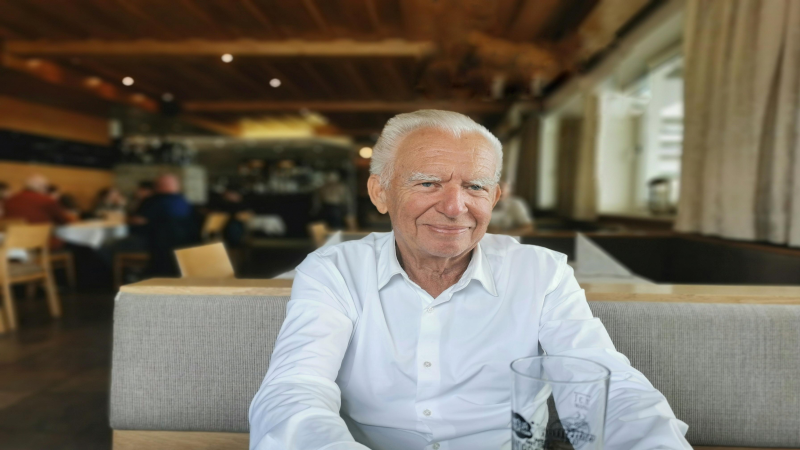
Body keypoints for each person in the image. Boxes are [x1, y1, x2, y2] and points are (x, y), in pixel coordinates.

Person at [249, 110, 691, 450]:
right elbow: (295, 389)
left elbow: (607, 385)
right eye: (427, 183)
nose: (455, 207)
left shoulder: (542, 273)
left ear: (495, 198)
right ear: (380, 192)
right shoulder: (334, 271)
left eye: (475, 187)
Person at [131, 174, 193, 276]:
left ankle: (117, 278)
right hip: (182, 245)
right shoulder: (183, 201)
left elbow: (138, 221)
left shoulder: (155, 200)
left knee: (109, 247)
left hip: (155, 245)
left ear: (158, 186)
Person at [4, 175, 76, 225]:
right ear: (41, 187)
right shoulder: (47, 201)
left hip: (12, 238)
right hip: (40, 239)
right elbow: (63, 221)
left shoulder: (9, 199)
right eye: (46, 187)